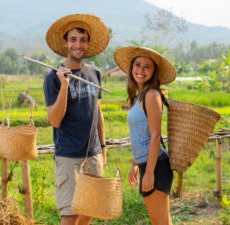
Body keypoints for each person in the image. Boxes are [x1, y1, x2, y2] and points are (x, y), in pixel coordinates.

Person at [43, 14, 110, 225]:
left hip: (93, 154)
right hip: (68, 155)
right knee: (70, 215)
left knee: (89, 211)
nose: (78, 45)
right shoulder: (53, 77)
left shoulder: (94, 74)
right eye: (73, 39)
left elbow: (96, 113)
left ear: (88, 43)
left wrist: (103, 149)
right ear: (65, 43)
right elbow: (54, 120)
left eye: (82, 40)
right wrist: (64, 85)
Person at [114, 46, 176, 225]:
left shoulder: (151, 95)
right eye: (138, 65)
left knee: (160, 222)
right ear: (132, 67)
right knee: (163, 222)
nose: (141, 70)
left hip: (155, 166)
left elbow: (156, 136)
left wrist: (149, 173)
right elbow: (141, 134)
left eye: (147, 67)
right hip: (147, 163)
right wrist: (135, 163)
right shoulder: (139, 96)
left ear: (154, 72)